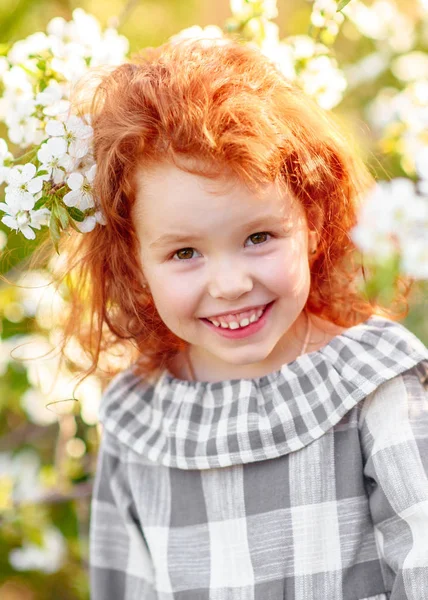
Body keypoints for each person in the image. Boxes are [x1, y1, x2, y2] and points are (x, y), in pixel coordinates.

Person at [65, 39, 428, 599]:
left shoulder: (372, 387)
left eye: (258, 237)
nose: (230, 284)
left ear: (311, 221)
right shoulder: (140, 424)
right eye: (184, 253)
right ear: (135, 263)